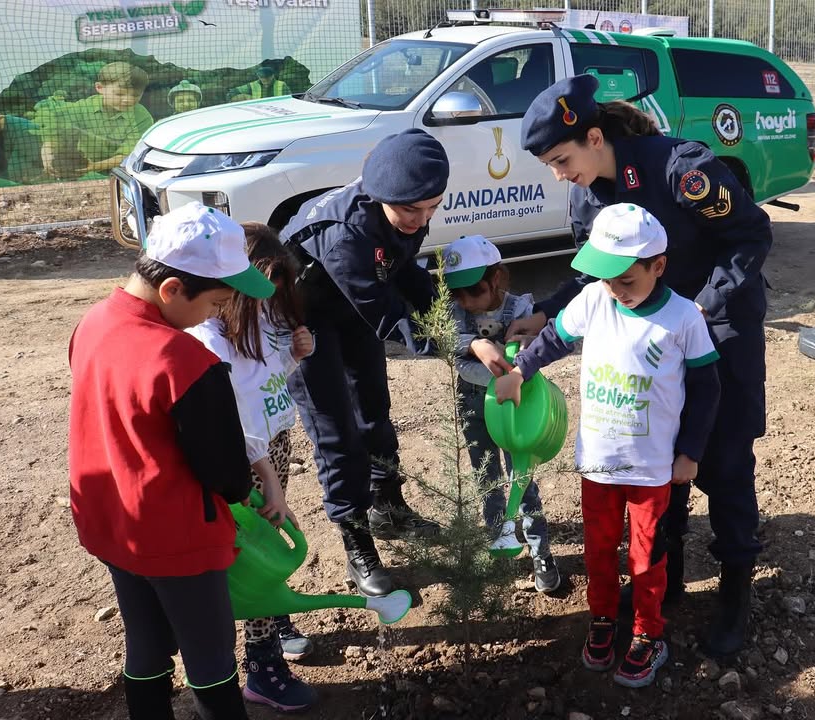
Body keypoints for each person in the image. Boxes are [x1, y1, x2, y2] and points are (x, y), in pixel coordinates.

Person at [515, 74, 773, 659]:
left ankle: (736, 592)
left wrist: (700, 307)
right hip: (647, 336)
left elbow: (750, 234)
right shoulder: (586, 193)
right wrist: (546, 313)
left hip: (718, 323)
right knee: (657, 456)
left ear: (596, 136)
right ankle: (669, 575)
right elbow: (592, 274)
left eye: (561, 159)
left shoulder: (680, 171)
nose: (558, 174)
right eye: (550, 165)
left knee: (723, 459)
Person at [494, 203, 720, 688]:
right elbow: (554, 337)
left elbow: (707, 389)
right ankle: (602, 619)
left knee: (646, 556)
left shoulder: (683, 318)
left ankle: (647, 633)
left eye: (626, 280)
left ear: (658, 266)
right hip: (598, 464)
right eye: (608, 277)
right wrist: (518, 372)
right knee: (599, 550)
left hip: (652, 469)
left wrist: (691, 452)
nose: (616, 289)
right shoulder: (595, 299)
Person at [68, 201, 276, 720]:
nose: (216, 316)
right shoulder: (186, 361)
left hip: (114, 523)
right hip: (177, 534)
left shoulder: (92, 323)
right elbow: (225, 473)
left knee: (145, 643)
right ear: (172, 290)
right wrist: (248, 491)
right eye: (215, 304)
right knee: (209, 656)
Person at [279, 129, 444, 597]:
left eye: (431, 207)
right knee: (335, 432)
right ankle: (358, 542)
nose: (421, 218)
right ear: (380, 194)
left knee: (374, 407)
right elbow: (386, 314)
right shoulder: (347, 231)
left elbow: (401, 267)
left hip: (351, 309)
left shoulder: (407, 202)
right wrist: (456, 345)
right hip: (305, 320)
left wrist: (445, 310)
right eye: (411, 210)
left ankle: (387, 508)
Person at [186, 223, 317, 713]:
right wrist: (265, 480)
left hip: (272, 450)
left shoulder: (255, 319)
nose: (269, 304)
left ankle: (275, 617)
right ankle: (262, 667)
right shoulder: (210, 338)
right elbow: (231, 419)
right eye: (261, 293)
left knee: (269, 542)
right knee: (255, 555)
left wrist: (294, 355)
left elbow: (264, 383)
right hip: (245, 465)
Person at [440, 234, 560, 593]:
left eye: (472, 291)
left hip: (515, 410)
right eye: (456, 293)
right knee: (486, 479)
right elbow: (449, 346)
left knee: (522, 480)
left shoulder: (520, 310)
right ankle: (501, 538)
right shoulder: (455, 312)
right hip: (475, 409)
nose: (465, 301)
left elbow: (535, 355)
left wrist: (522, 359)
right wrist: (478, 350)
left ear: (496, 279)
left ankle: (541, 552)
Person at [39, 61, 153, 178]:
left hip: (125, 174)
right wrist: (48, 153)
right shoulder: (83, 108)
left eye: (135, 95)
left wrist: (93, 166)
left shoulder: (142, 117)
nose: (128, 100)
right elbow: (54, 127)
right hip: (83, 167)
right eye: (119, 94)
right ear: (99, 88)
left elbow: (129, 155)